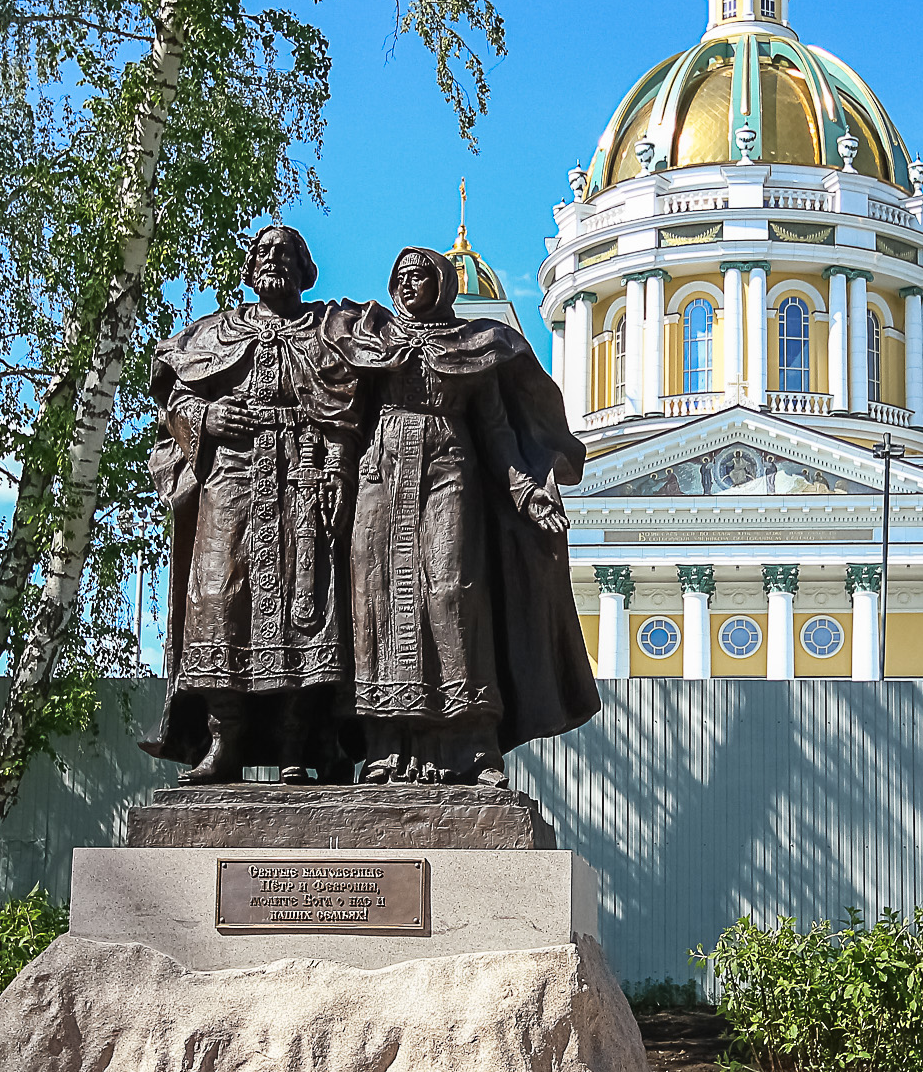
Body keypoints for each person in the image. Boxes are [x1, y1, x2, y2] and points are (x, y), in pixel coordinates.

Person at [337, 246, 599, 785]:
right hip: (380, 477)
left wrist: (528, 492)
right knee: (379, 600)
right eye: (401, 278)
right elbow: (338, 415)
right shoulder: (372, 341)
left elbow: (500, 432)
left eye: (419, 277)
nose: (408, 286)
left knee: (454, 590)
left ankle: (473, 744)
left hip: (448, 467)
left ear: (442, 286)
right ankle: (387, 746)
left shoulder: (475, 345)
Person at [141, 224, 368, 783]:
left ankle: (298, 745)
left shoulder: (324, 332)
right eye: (264, 252)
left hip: (303, 471)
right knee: (219, 600)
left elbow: (345, 404)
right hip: (232, 474)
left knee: (307, 604)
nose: (275, 261)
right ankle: (225, 741)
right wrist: (204, 418)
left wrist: (336, 469)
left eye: (287, 253)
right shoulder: (218, 332)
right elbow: (177, 394)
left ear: (305, 267)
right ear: (249, 268)